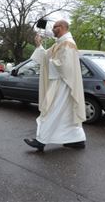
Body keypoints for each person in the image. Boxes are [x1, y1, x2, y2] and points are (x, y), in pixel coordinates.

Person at [24, 20, 86, 151]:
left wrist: (51, 62)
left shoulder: (68, 43)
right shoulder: (59, 43)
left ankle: (41, 141)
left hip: (63, 84)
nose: (52, 30)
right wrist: (39, 45)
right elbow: (45, 57)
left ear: (62, 27)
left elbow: (65, 66)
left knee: (51, 111)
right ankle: (77, 140)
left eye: (55, 27)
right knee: (67, 115)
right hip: (61, 82)